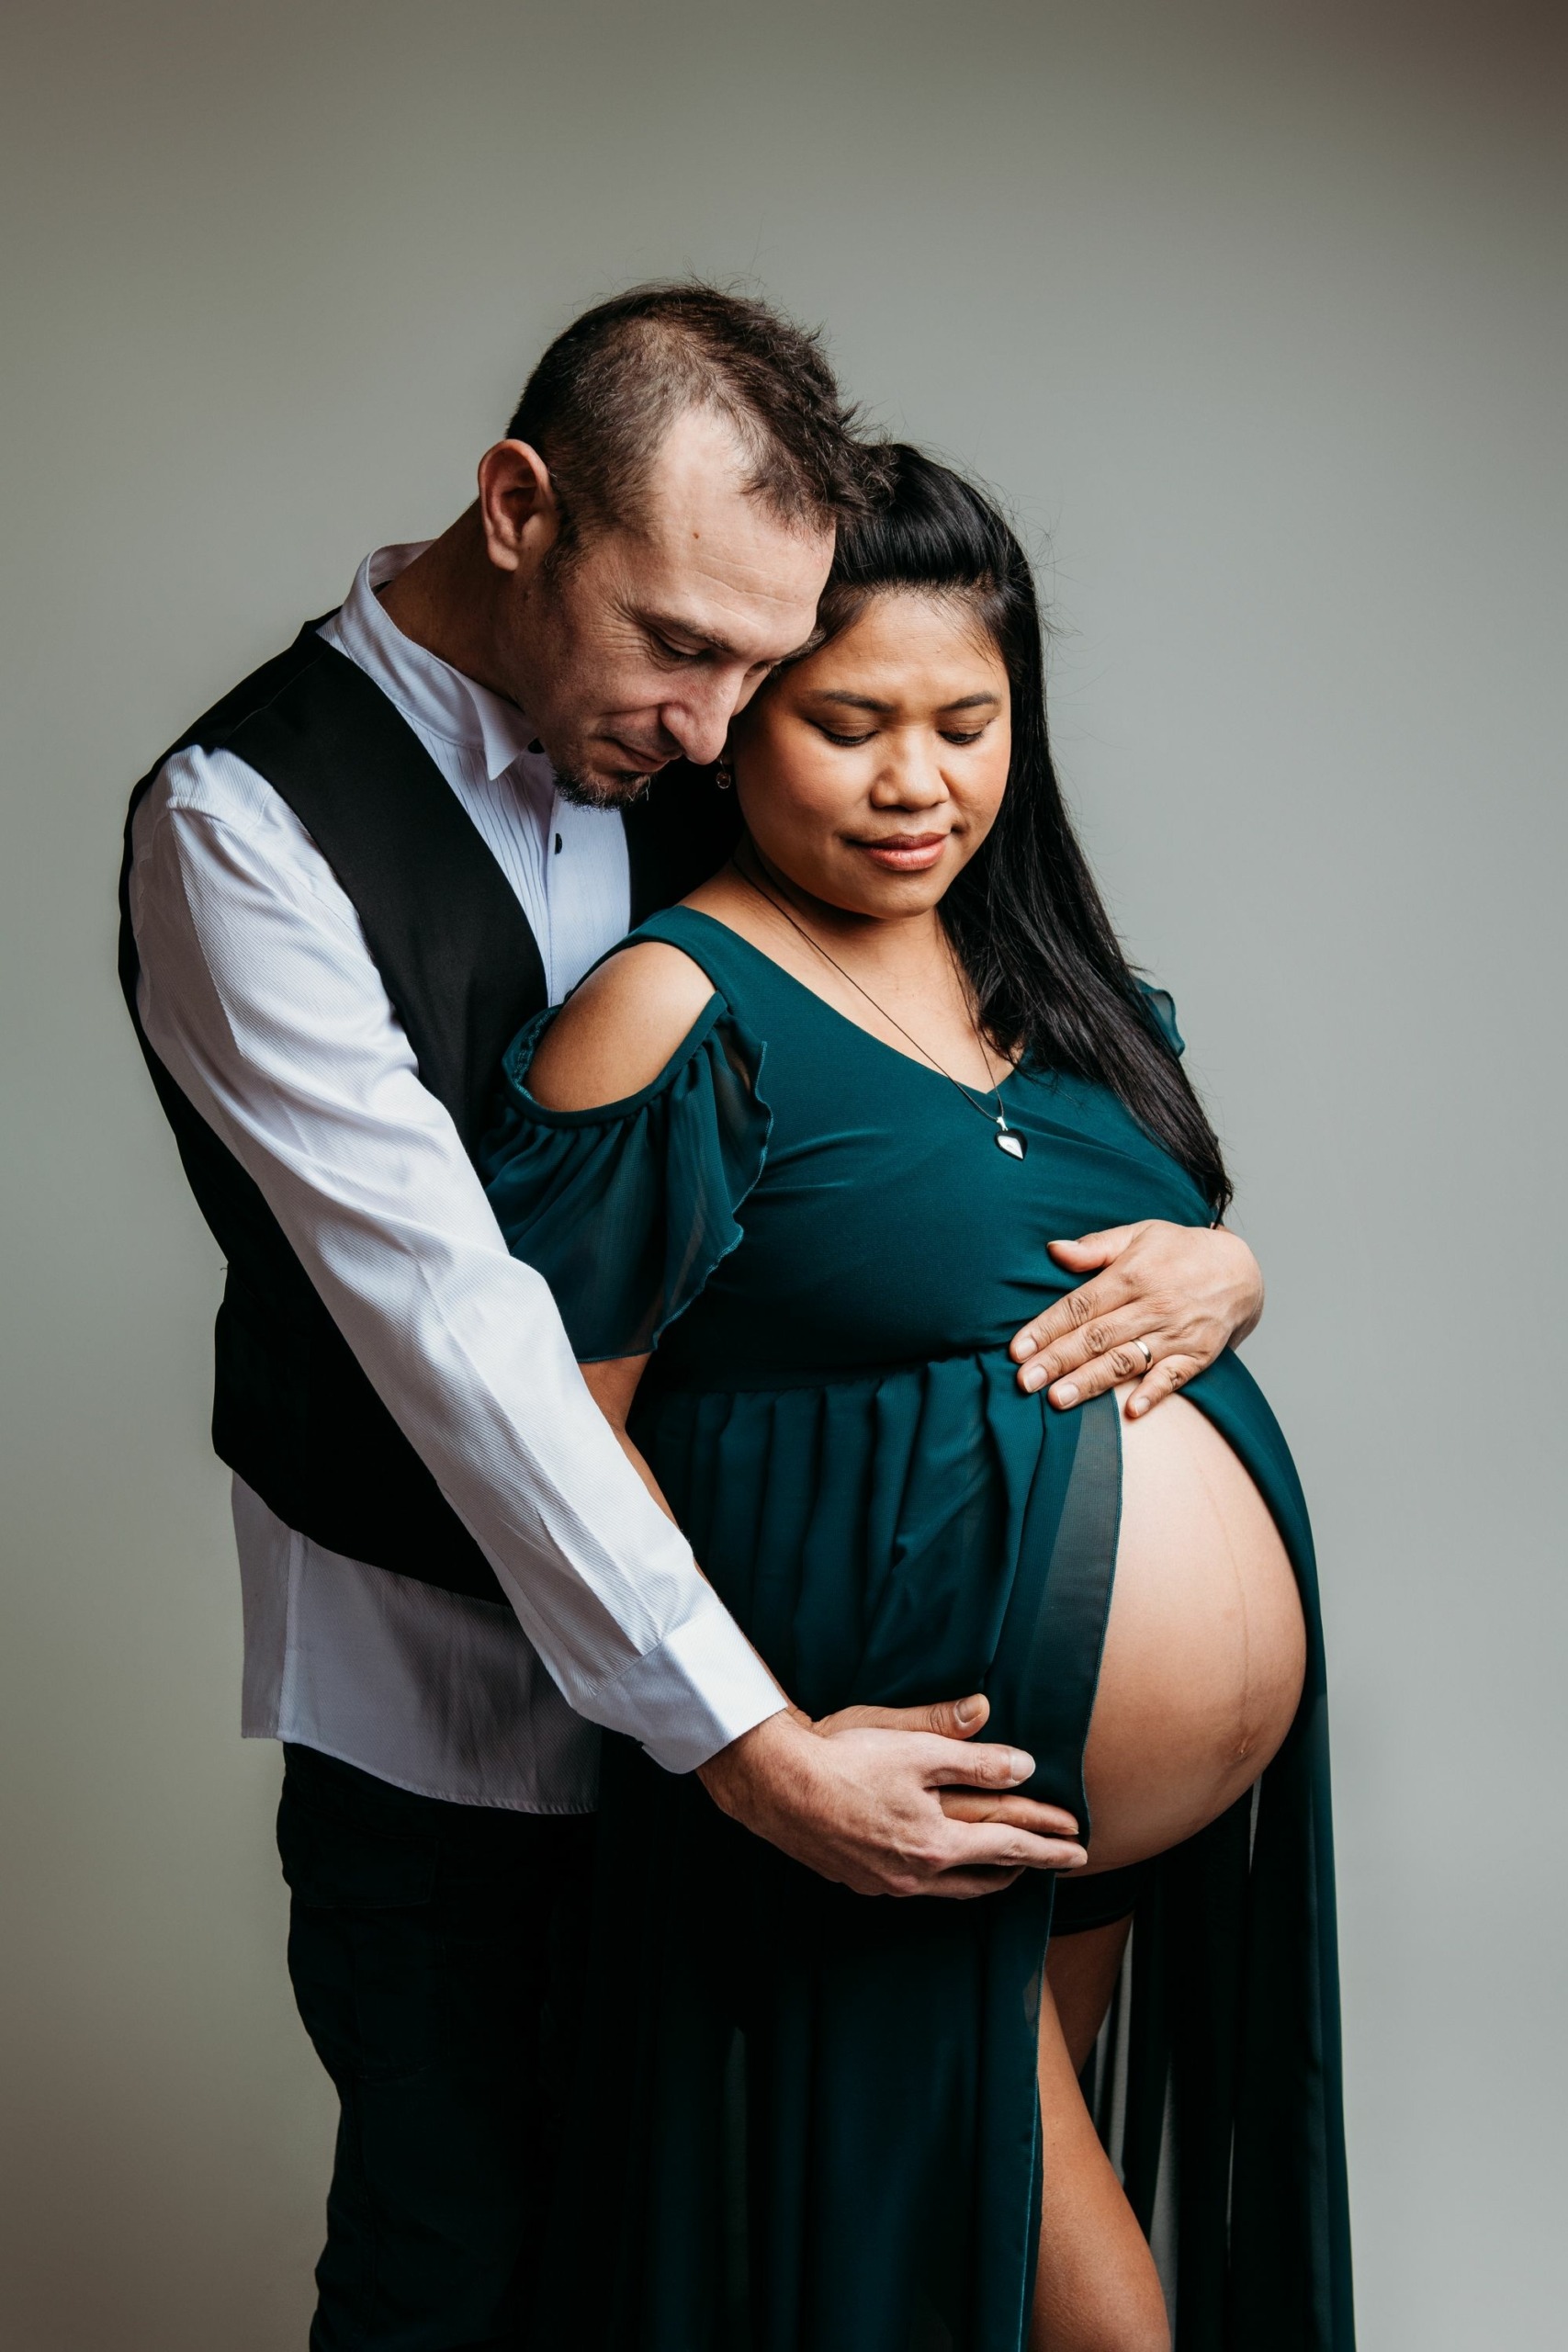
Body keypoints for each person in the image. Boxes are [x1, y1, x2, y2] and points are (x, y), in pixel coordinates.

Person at [119, 288, 1268, 2347]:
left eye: (767, 664)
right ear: (514, 508)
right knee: (464, 2271)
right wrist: (743, 1741)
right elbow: (458, 1329)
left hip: (799, 1719)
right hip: (463, 1717)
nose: (728, 721)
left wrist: (1214, 1260)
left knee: (730, 2277)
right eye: (681, 647)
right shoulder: (243, 827)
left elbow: (929, 1138)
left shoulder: (709, 740)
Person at [480, 447, 1353, 2350]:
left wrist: (1232, 1269)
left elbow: (1142, 1250)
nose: (914, 781)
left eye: (965, 723)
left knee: (964, 2297)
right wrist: (767, 1740)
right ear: (731, 725)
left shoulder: (1057, 978)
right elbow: (556, 1437)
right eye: (847, 722)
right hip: (892, 1763)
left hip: (1108, 1811)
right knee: (1081, 2311)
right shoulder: (674, 998)